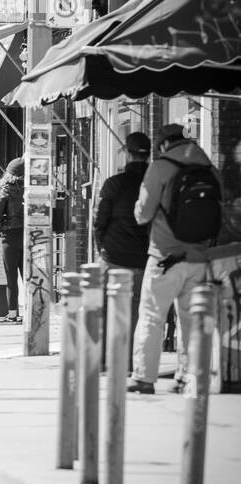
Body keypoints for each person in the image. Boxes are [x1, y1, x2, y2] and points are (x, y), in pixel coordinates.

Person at [127, 124, 222, 395]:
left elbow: (142, 214)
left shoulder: (160, 167)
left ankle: (144, 378)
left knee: (152, 316)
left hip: (164, 257)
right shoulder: (209, 167)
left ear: (163, 144)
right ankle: (187, 378)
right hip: (200, 257)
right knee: (192, 320)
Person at [94, 132, 152, 363]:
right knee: (135, 309)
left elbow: (100, 223)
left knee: (105, 307)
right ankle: (126, 360)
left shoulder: (114, 184)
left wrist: (103, 251)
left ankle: (105, 357)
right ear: (148, 155)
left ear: (127, 153)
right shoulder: (154, 184)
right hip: (141, 259)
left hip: (113, 256)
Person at [0, 157, 25, 323]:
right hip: (28, 234)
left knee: (11, 278)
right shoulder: (30, 187)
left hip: (10, 235)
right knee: (29, 275)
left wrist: (1, 219)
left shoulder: (6, 187)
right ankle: (35, 311)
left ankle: (12, 314)